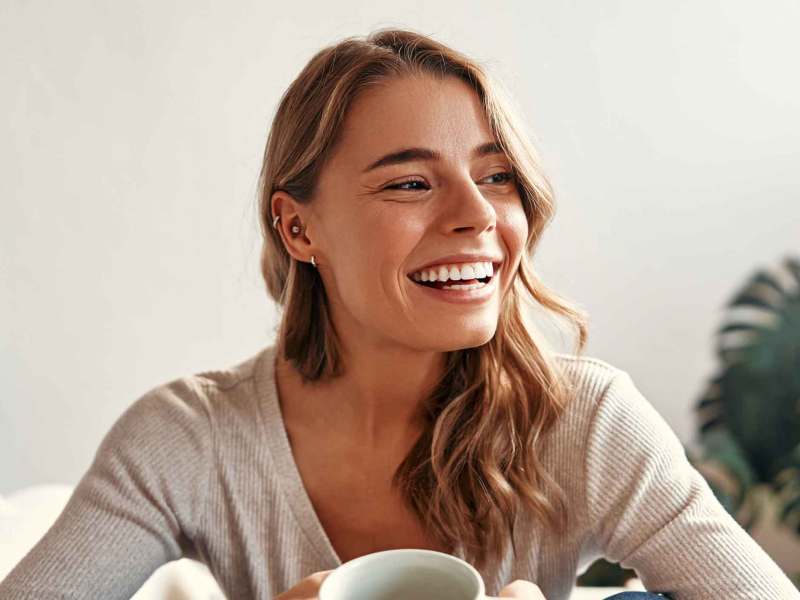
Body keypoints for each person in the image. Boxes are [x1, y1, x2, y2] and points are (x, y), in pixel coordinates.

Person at [1, 27, 797, 600]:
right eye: (411, 183)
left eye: (497, 177)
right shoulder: (189, 441)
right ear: (298, 227)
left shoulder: (585, 421)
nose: (477, 215)